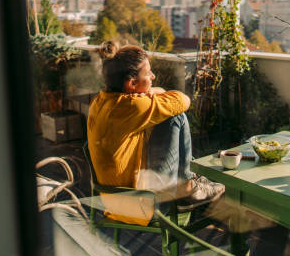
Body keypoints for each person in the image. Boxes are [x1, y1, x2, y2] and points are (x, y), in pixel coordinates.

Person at [87, 41, 224, 226]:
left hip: (113, 202)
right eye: (148, 73)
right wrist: (152, 93)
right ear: (132, 83)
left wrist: (150, 91)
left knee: (163, 117)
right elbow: (183, 100)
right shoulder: (132, 106)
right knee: (175, 117)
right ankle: (187, 185)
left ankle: (189, 183)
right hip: (142, 205)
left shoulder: (100, 101)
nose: (153, 76)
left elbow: (159, 95)